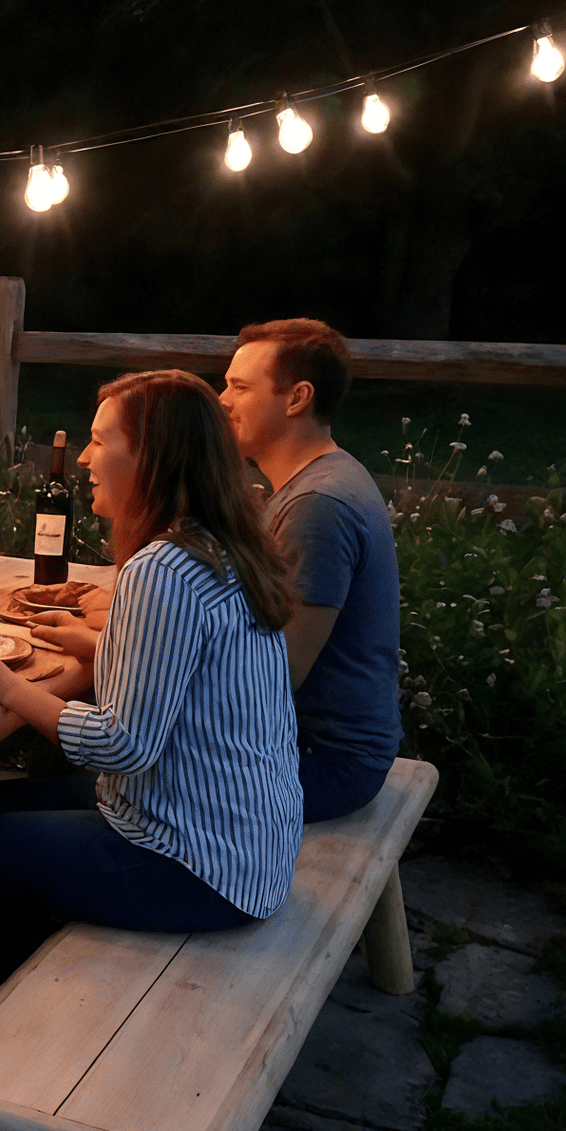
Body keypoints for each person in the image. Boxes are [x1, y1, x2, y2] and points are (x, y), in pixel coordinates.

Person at [0, 370, 302, 1021]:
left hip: (199, 864)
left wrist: (2, 684)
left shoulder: (161, 570)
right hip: (245, 838)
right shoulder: (216, 547)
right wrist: (97, 645)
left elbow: (122, 743)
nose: (85, 459)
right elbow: (190, 671)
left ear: (149, 456)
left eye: (99, 441)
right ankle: (4, 971)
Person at [220, 318, 401, 822]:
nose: (221, 401)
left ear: (297, 398)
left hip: (321, 761)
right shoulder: (320, 479)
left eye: (239, 387)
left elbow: (274, 677)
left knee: (116, 775)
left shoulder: (318, 504)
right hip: (308, 747)